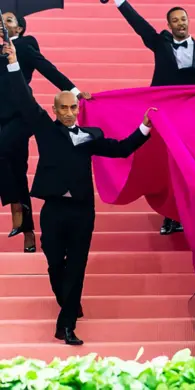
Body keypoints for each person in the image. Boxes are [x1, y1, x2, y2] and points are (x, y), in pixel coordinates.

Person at [3, 40, 153, 345]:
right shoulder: (45, 129)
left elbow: (121, 148)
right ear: (55, 111)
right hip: (54, 209)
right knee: (56, 263)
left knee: (78, 265)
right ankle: (67, 300)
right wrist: (14, 63)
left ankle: (66, 324)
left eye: (73, 107)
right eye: (64, 108)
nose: (70, 112)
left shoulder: (91, 135)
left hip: (84, 210)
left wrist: (145, 128)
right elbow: (22, 98)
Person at [113, 0, 195, 235]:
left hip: (187, 118)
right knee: (165, 165)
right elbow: (139, 25)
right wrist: (120, 2)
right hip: (161, 116)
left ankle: (181, 213)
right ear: (168, 25)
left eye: (183, 19)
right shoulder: (160, 43)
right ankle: (169, 215)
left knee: (183, 164)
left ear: (189, 21)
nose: (180, 23)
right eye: (175, 20)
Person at [0, 11, 91, 252]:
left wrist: (75, 91)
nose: (4, 23)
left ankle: (16, 206)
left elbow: (47, 68)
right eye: (3, 20)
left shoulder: (25, 45)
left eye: (9, 20)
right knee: (18, 171)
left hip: (23, 116)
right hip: (1, 119)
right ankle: (28, 232)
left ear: (19, 29)